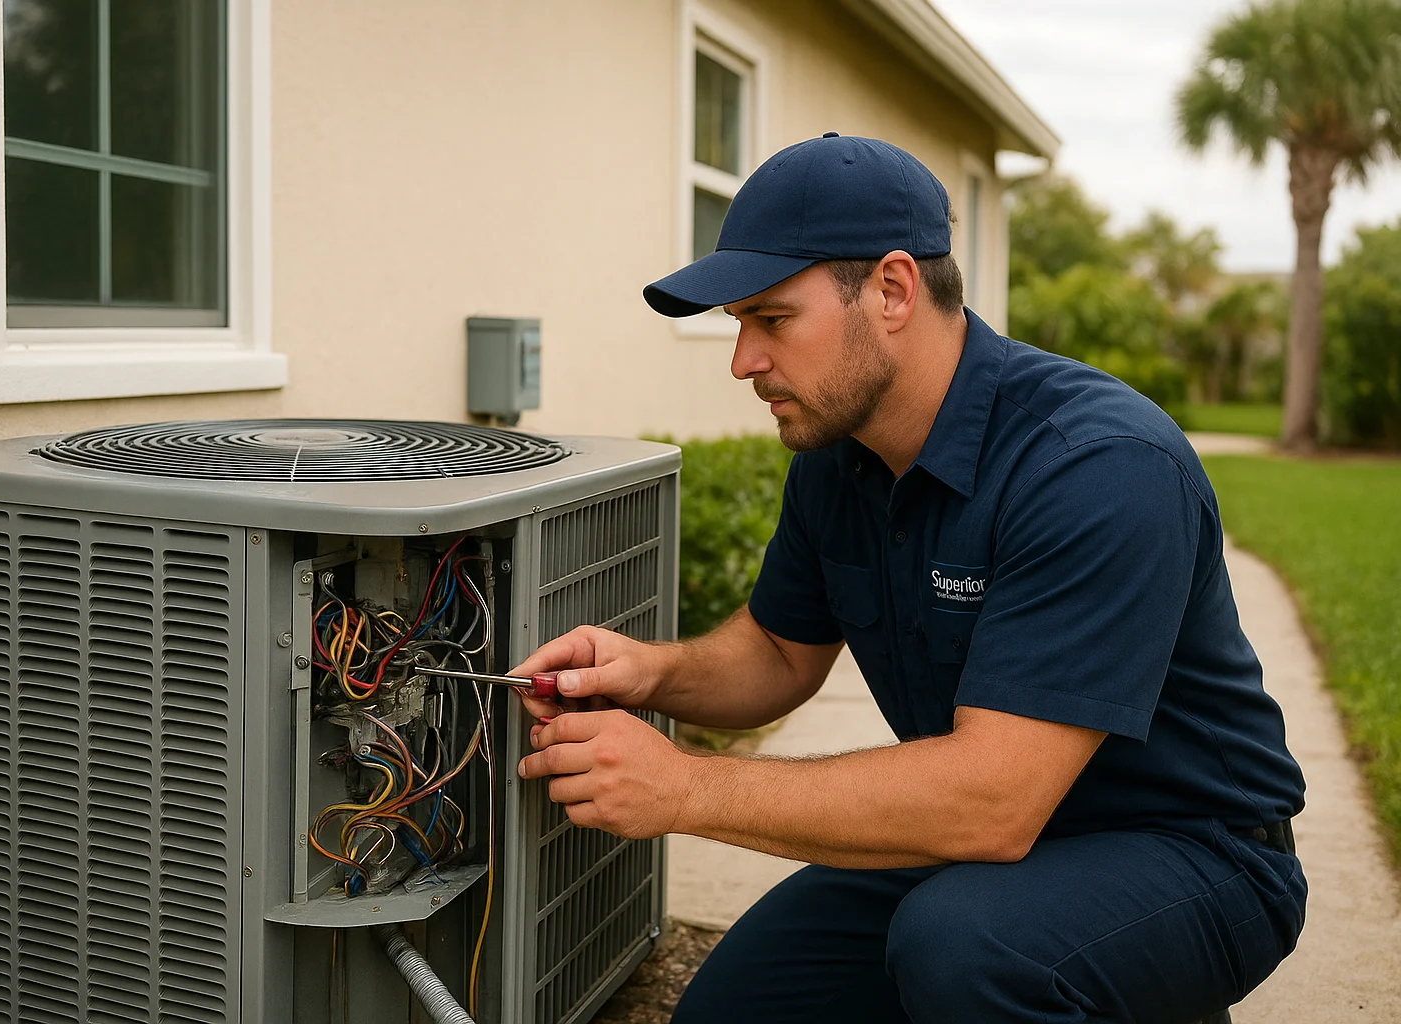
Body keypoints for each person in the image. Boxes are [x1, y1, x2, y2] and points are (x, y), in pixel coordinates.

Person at [514, 133, 1306, 1023]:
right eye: (738, 324)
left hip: (1191, 854)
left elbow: (993, 802)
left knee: (965, 948)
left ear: (892, 290)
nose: (743, 361)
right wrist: (648, 672)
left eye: (772, 319)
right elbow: (779, 652)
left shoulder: (1096, 465)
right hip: (976, 843)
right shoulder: (839, 453)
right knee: (737, 1010)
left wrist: (685, 787)